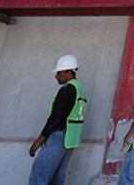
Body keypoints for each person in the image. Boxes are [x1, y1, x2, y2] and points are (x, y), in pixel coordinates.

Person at [29, 54, 87, 185]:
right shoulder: (80, 89)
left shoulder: (67, 90)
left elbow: (55, 119)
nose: (56, 76)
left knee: (39, 174)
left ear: (68, 72)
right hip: (70, 140)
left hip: (58, 137)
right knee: (57, 178)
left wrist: (38, 142)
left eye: (59, 72)